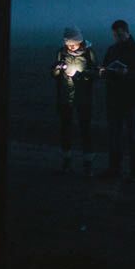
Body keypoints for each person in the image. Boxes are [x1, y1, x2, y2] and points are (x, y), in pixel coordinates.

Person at [98, 19, 135, 183]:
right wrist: (103, 72)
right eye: (115, 35)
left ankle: (134, 172)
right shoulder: (112, 50)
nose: (117, 38)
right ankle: (114, 169)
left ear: (127, 32)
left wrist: (128, 73)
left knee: (133, 136)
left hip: (131, 100)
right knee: (114, 135)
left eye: (120, 35)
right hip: (114, 100)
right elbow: (105, 69)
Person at [50, 26, 99, 175]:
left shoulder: (89, 52)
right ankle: (67, 161)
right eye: (68, 44)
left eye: (74, 44)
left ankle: (87, 162)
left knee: (85, 130)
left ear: (80, 41)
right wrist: (57, 69)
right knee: (66, 129)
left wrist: (83, 75)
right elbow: (54, 74)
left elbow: (96, 72)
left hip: (83, 98)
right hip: (65, 97)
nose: (71, 47)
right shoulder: (61, 52)